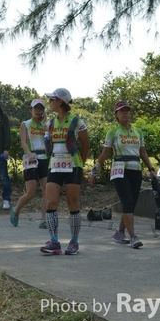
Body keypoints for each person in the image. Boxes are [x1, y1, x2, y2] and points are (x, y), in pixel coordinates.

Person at [88, 101, 157, 249]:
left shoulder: (138, 132)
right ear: (116, 115)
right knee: (127, 202)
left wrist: (151, 168)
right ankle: (133, 236)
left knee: (130, 205)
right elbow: (105, 153)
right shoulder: (113, 132)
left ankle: (119, 232)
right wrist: (95, 170)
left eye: (127, 110)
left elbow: (143, 152)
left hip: (136, 169)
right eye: (122, 111)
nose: (125, 113)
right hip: (119, 170)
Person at [40, 88, 90, 255]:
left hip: (72, 165)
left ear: (60, 101)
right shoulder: (50, 123)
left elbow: (86, 145)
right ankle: (53, 241)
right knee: (51, 203)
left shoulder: (77, 122)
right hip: (55, 164)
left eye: (51, 100)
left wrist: (80, 163)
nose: (49, 103)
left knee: (72, 203)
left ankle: (74, 241)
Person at [10, 99, 49, 228]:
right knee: (31, 192)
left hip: (43, 158)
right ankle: (16, 210)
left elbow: (50, 141)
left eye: (41, 108)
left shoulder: (46, 125)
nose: (38, 111)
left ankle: (43, 219)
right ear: (30, 109)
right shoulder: (25, 124)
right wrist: (29, 153)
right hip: (30, 159)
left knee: (47, 190)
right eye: (35, 108)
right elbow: (23, 141)